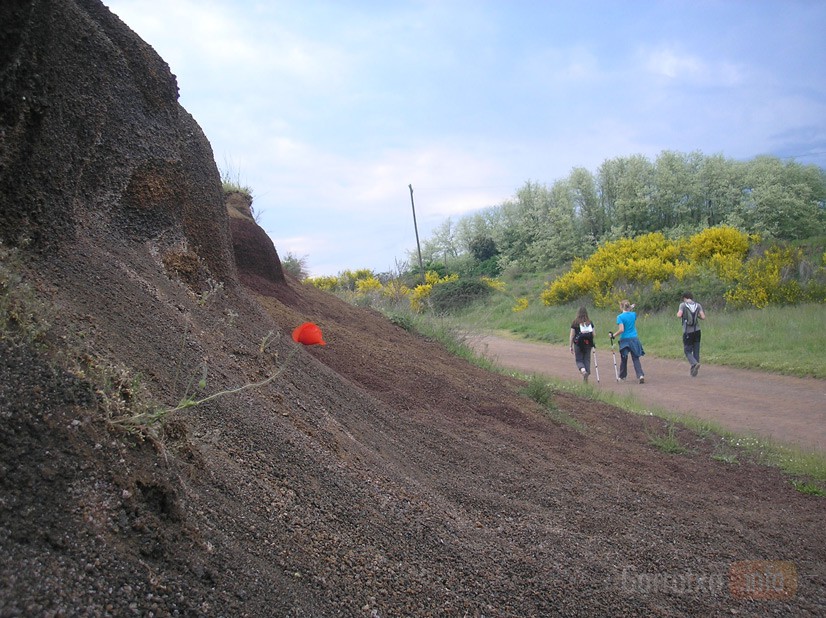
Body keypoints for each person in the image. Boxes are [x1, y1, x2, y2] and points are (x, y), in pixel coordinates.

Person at [611, 299, 645, 383]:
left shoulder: (620, 317)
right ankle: (640, 375)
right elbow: (630, 312)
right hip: (634, 338)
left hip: (625, 340)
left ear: (621, 307)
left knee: (624, 358)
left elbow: (621, 329)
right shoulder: (633, 314)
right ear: (629, 307)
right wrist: (631, 307)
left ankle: (622, 376)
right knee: (635, 358)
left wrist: (613, 335)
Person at [677, 292, 706, 377]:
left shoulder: (683, 305)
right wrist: (696, 316)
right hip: (697, 331)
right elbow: (703, 317)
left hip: (688, 331)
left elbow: (679, 315)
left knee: (687, 350)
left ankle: (694, 363)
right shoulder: (698, 305)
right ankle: (694, 371)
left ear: (684, 298)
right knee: (696, 350)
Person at [569, 306, 596, 383]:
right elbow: (594, 334)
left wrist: (570, 346)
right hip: (588, 343)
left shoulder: (575, 322)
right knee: (587, 359)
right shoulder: (589, 322)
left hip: (578, 344)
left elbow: (572, 335)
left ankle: (584, 372)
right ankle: (587, 372)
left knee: (579, 359)